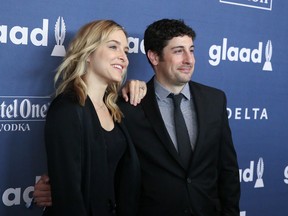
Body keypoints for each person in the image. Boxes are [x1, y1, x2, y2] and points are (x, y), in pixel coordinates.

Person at [34, 18, 241, 216]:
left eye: (125, 50)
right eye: (179, 51)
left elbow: (227, 169)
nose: (189, 59)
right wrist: (55, 186)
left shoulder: (113, 108)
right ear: (153, 57)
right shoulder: (126, 107)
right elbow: (76, 179)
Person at [40, 19, 143, 216]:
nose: (124, 58)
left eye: (126, 51)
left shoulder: (115, 109)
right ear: (88, 53)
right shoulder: (67, 108)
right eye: (113, 47)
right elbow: (68, 196)